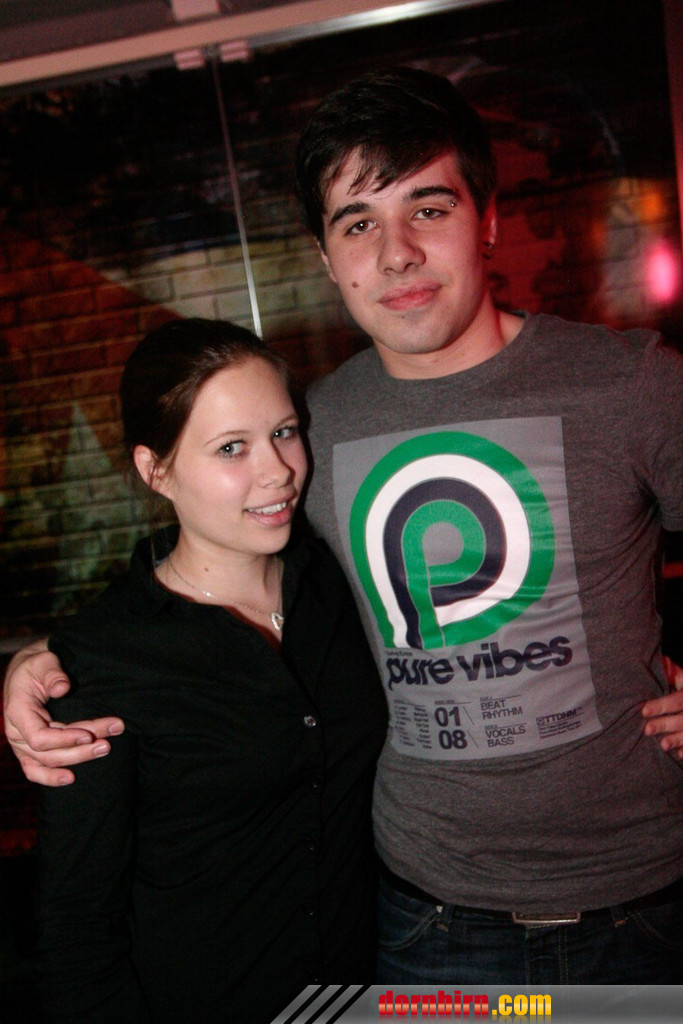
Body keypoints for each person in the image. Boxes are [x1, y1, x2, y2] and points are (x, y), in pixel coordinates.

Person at [4, 67, 683, 984]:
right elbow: (218, 570)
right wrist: (45, 662)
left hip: (649, 904)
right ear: (326, 256)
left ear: (486, 218)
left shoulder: (630, 383)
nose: (395, 253)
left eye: (427, 209)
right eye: (358, 223)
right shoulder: (309, 433)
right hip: (425, 921)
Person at [28, 317, 387, 1022]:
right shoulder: (103, 660)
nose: (278, 470)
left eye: (284, 431)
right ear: (154, 470)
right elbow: (76, 926)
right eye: (231, 447)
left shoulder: (335, 581)